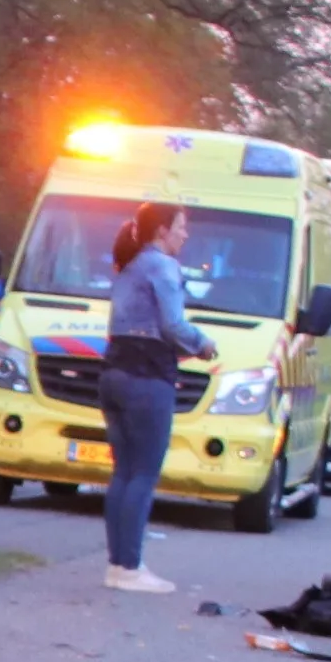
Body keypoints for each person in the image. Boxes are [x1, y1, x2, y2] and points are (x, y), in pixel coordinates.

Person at [100, 203, 212, 593]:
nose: (186, 234)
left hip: (113, 372)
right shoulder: (164, 267)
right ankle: (130, 567)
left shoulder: (128, 267)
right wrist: (203, 345)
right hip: (148, 378)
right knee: (144, 474)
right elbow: (173, 324)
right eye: (181, 227)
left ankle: (116, 564)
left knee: (123, 472)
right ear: (162, 230)